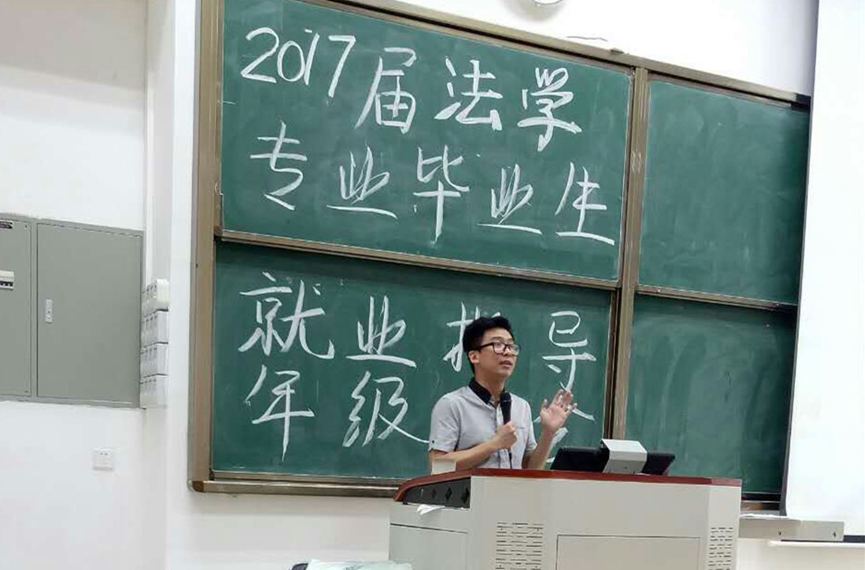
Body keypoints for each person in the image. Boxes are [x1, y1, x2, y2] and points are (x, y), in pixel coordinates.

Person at [428, 315, 575, 471]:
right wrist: (494, 444)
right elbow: (437, 465)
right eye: (498, 345)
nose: (508, 352)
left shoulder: (521, 407)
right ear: (474, 356)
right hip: (471, 488)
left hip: (514, 488)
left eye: (511, 346)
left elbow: (531, 469)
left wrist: (548, 433)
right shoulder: (452, 404)